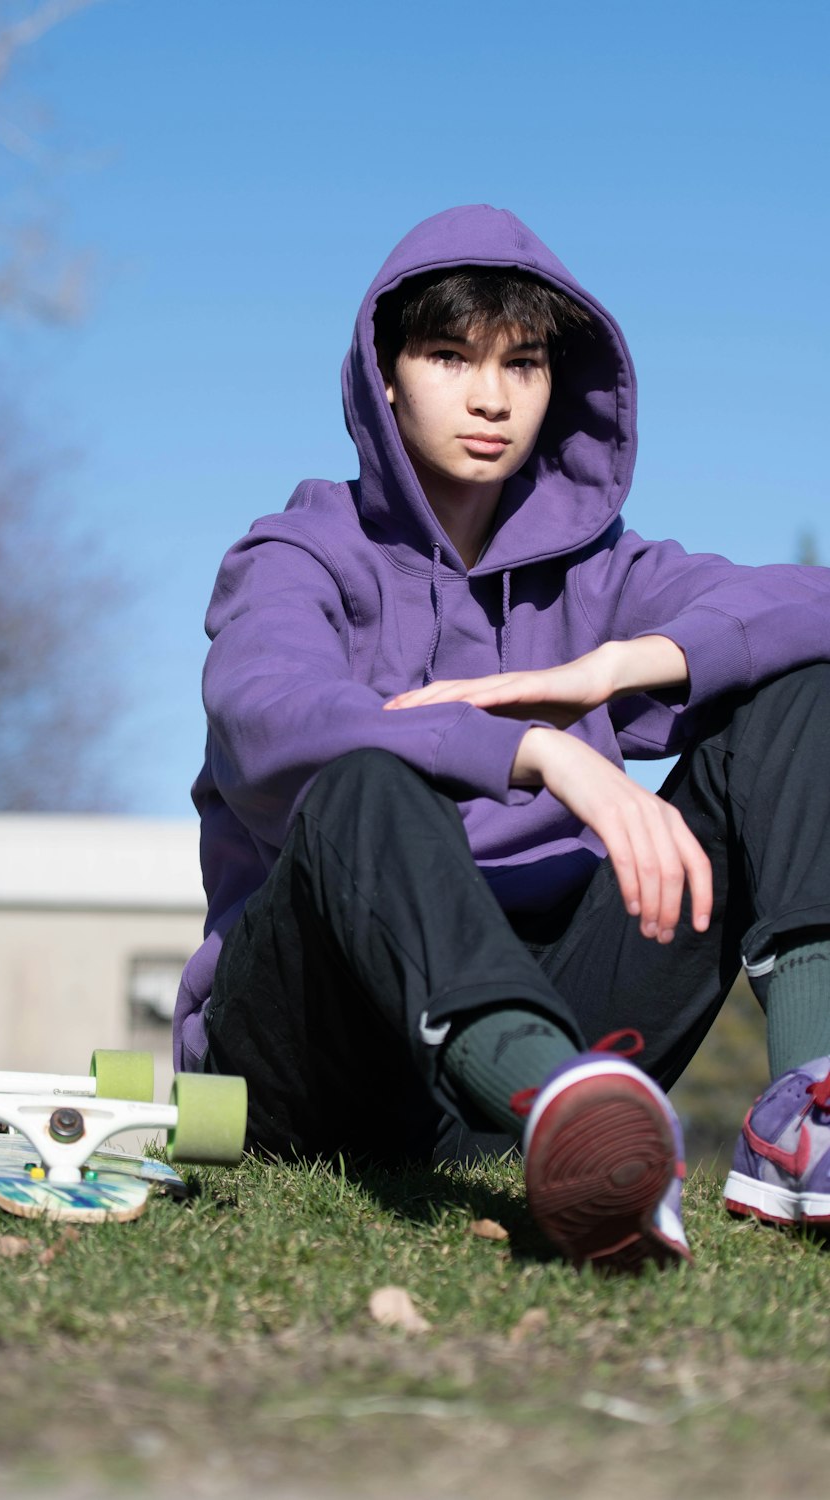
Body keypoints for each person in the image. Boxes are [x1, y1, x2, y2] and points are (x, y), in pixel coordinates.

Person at [174, 204, 830, 1272]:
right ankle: (549, 1094)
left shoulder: (602, 572)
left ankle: (813, 1107)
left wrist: (616, 667)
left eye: (521, 364)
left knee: (799, 685)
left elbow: (811, 603)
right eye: (448, 356)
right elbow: (268, 714)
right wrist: (533, 748)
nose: (489, 397)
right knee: (362, 780)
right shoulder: (296, 554)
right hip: (328, 1052)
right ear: (383, 377)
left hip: (560, 1023)